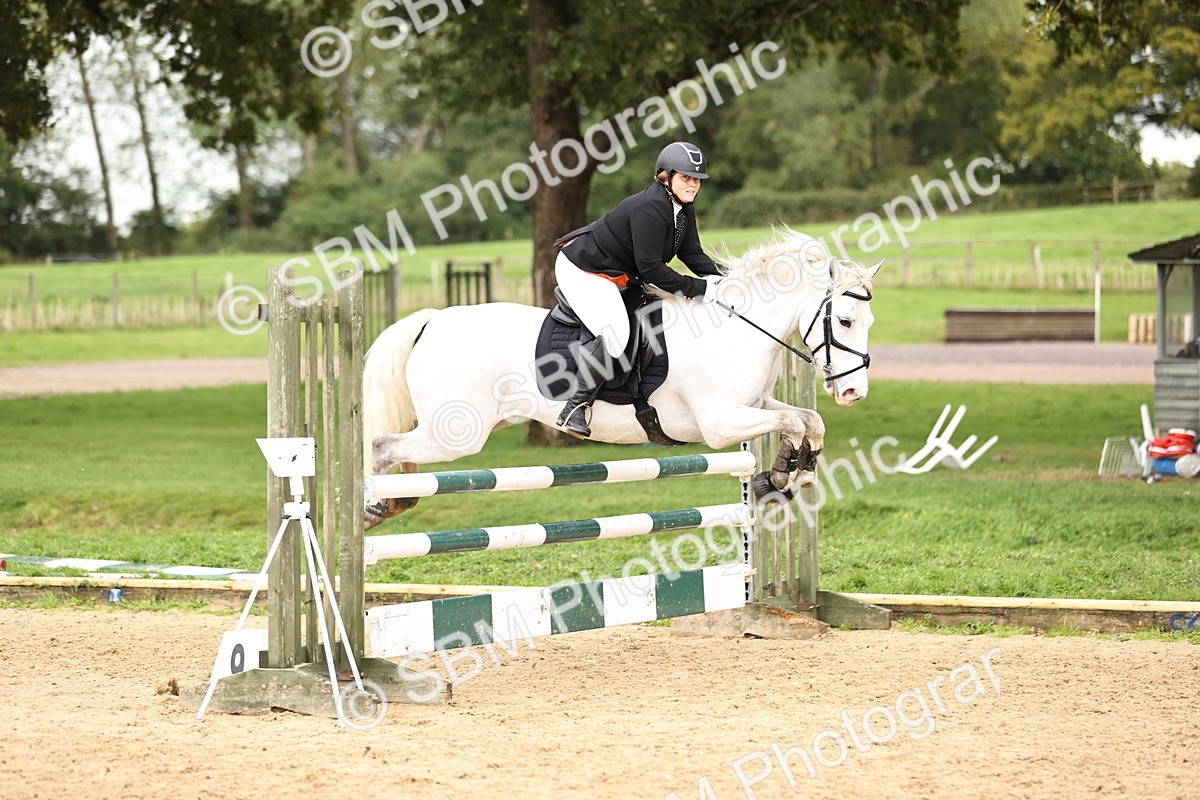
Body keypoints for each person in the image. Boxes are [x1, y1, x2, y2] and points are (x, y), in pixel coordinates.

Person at [552, 141, 725, 436]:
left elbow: (693, 255)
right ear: (665, 177)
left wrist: (729, 280)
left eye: (697, 179)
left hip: (616, 272)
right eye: (686, 177)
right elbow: (652, 270)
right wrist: (701, 289)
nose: (693, 185)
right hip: (584, 268)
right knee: (616, 333)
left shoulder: (683, 209)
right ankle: (574, 407)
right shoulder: (650, 208)